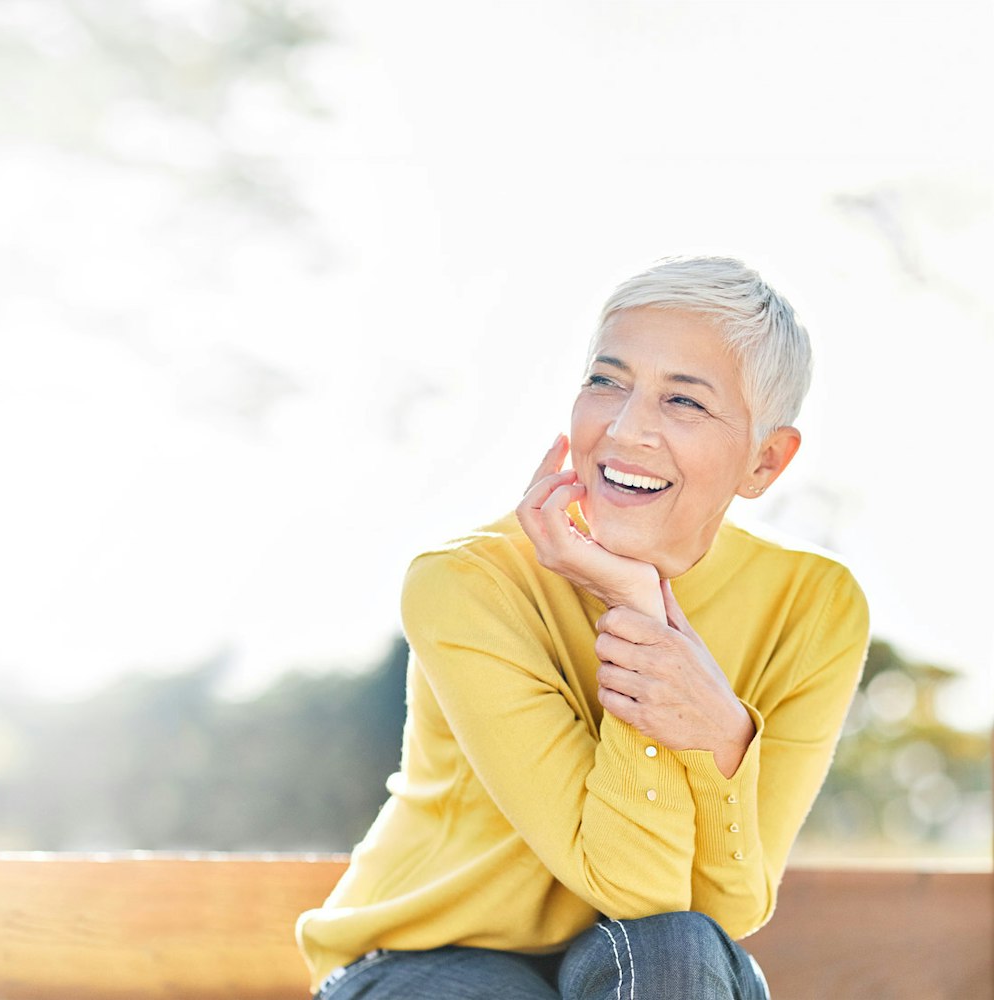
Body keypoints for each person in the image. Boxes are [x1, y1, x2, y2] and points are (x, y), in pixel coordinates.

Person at [296, 256, 870, 999]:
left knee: (677, 949)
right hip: (420, 960)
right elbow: (627, 883)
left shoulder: (814, 606)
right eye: (607, 381)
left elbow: (728, 906)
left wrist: (727, 740)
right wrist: (643, 616)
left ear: (764, 461)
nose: (627, 429)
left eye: (684, 402)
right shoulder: (468, 584)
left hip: (644, 969)